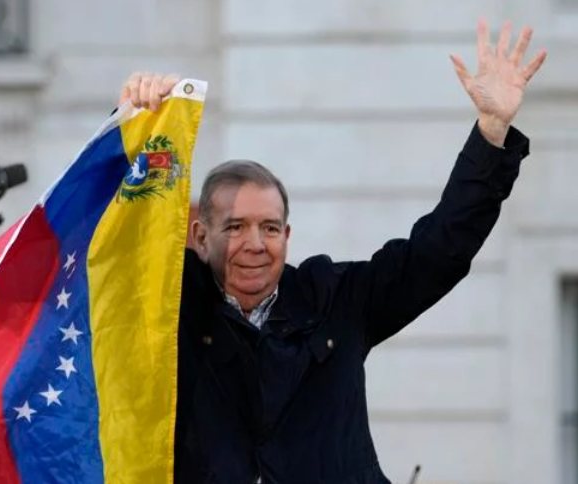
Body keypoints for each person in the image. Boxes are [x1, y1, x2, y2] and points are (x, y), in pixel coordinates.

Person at [119, 19, 546, 484]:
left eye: (271, 228)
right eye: (236, 227)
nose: (256, 245)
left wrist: (491, 132)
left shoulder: (336, 301)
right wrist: (138, 135)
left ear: (288, 234)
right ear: (201, 237)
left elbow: (440, 249)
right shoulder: (172, 311)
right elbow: (122, 252)